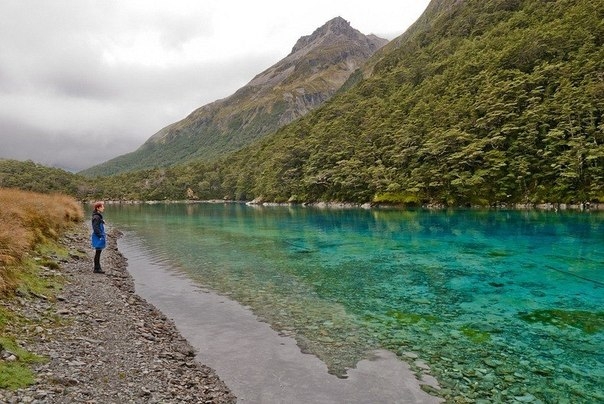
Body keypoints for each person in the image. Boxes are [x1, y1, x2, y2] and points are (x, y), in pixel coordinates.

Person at [91, 201, 107, 274]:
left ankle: (97, 268)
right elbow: (95, 228)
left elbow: (97, 222)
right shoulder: (96, 217)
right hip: (98, 236)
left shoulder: (97, 216)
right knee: (98, 252)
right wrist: (101, 236)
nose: (104, 208)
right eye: (102, 206)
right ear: (98, 208)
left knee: (98, 252)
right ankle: (97, 269)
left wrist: (102, 221)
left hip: (98, 236)